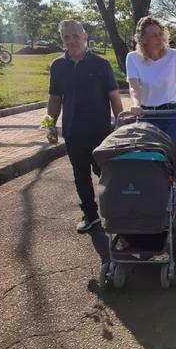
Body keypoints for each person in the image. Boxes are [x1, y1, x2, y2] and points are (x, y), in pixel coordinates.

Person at [47, 20, 124, 232]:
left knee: (107, 175)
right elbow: (55, 98)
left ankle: (116, 213)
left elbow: (114, 97)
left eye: (75, 35)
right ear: (62, 39)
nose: (72, 40)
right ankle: (90, 215)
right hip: (72, 132)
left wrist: (122, 126)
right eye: (66, 37)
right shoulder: (58, 66)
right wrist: (51, 125)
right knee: (80, 176)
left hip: (100, 132)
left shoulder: (101, 64)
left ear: (85, 36)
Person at [126, 16, 176, 145]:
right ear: (143, 39)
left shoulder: (175, 55)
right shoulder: (133, 58)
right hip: (147, 114)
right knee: (148, 152)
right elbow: (134, 86)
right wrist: (136, 104)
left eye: (160, 34)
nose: (159, 39)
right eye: (154, 35)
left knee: (167, 149)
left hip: (172, 113)